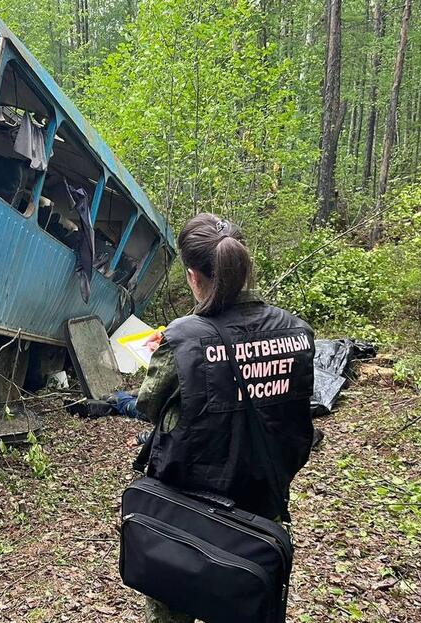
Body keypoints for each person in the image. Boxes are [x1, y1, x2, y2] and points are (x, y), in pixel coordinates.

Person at [135, 213, 315, 623]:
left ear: (194, 276)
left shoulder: (183, 337)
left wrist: (156, 358)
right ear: (244, 265)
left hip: (185, 513)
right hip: (259, 511)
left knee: (171, 608)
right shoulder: (297, 332)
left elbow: (149, 404)